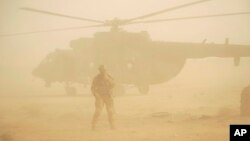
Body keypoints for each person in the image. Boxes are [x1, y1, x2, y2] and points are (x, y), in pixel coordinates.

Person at [91, 65, 115, 130]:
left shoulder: (109, 77)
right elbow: (93, 88)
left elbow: (113, 86)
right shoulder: (96, 78)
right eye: (102, 70)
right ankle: (94, 125)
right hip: (100, 97)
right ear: (100, 71)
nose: (103, 71)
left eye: (104, 70)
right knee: (98, 111)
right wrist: (97, 95)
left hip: (108, 97)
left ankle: (112, 125)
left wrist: (111, 93)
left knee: (110, 112)